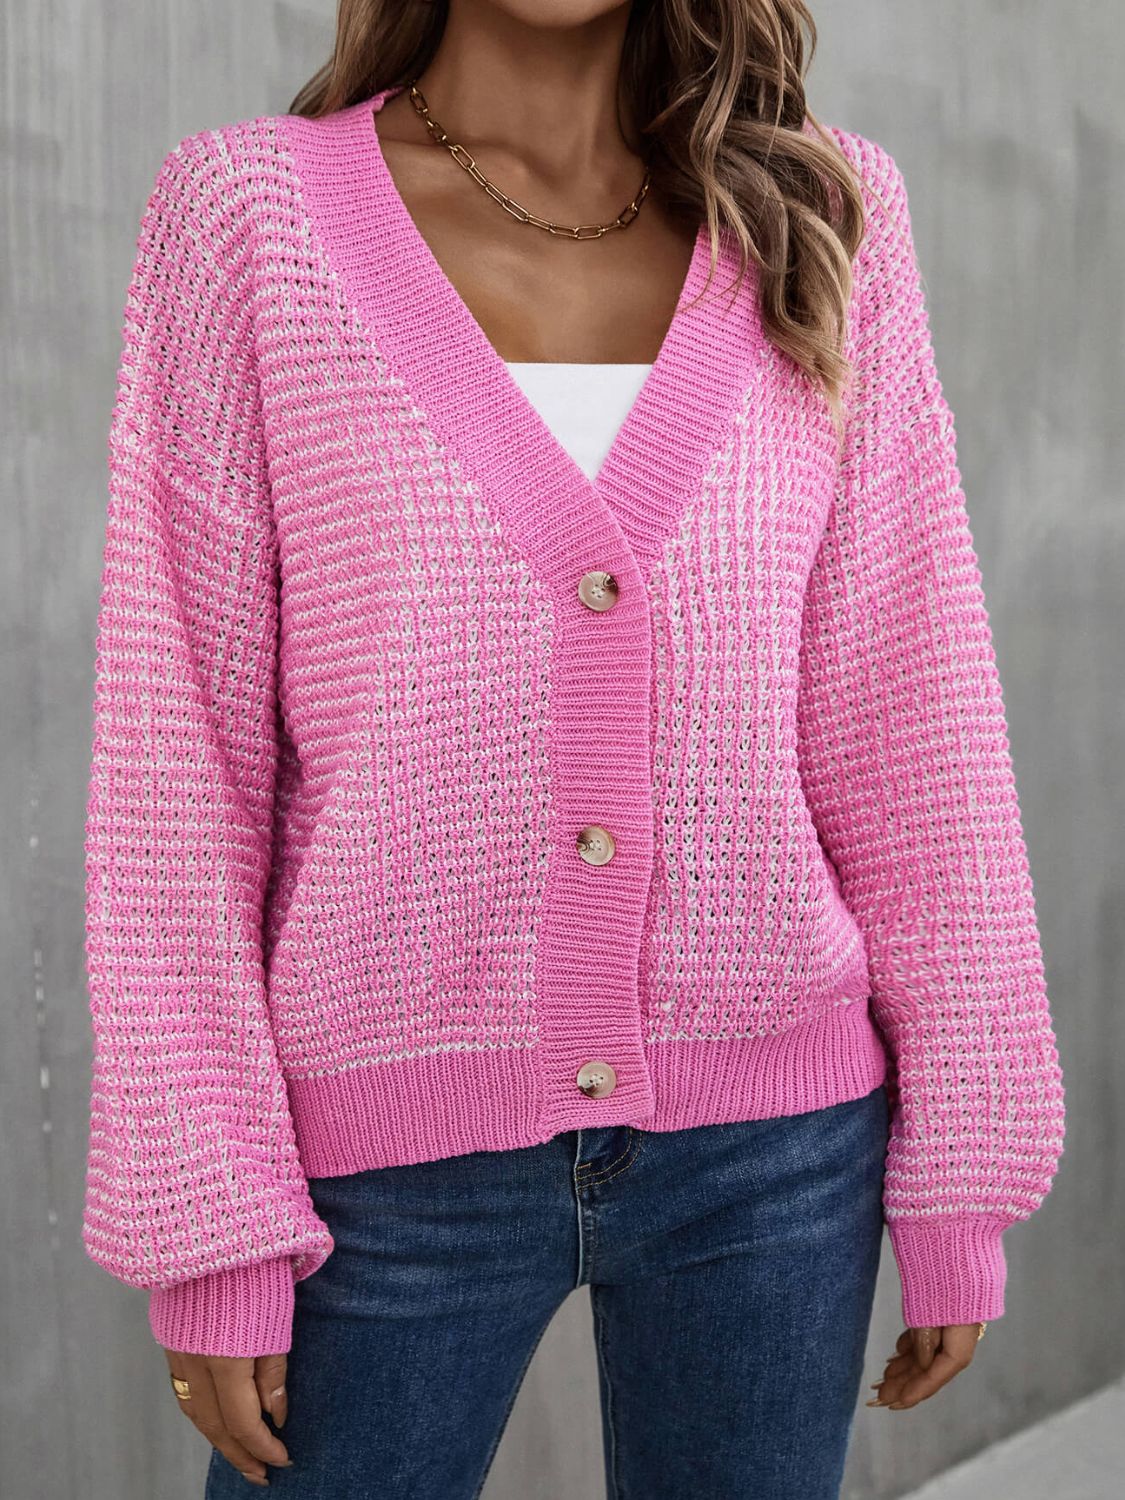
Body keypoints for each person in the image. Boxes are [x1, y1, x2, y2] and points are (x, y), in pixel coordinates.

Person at [81, 2, 1066, 1495]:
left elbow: (910, 712)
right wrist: (209, 1221)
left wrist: (963, 1169)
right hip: (376, 1164)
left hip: (779, 1152)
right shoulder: (248, 218)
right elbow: (179, 758)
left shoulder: (821, 209)